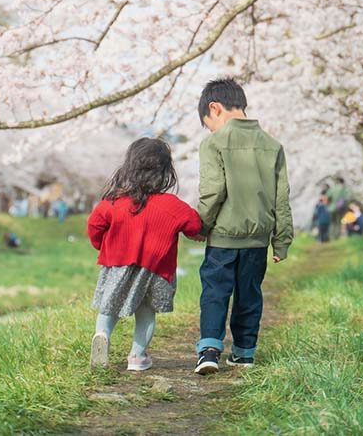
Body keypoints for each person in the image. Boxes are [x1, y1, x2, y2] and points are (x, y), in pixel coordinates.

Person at [193, 78, 293, 375]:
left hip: (223, 238)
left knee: (215, 291)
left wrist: (201, 225)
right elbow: (281, 197)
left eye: (208, 123)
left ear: (216, 108)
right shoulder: (273, 146)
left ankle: (209, 350)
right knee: (249, 294)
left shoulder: (214, 143)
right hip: (258, 241)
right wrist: (282, 240)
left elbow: (213, 190)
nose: (210, 130)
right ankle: (244, 353)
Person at [87, 138, 202, 372]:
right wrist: (199, 234)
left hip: (117, 264)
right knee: (146, 312)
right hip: (155, 269)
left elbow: (94, 225)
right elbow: (194, 225)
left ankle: (102, 335)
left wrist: (103, 246)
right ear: (166, 172)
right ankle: (137, 357)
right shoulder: (172, 205)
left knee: (109, 307)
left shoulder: (114, 202)